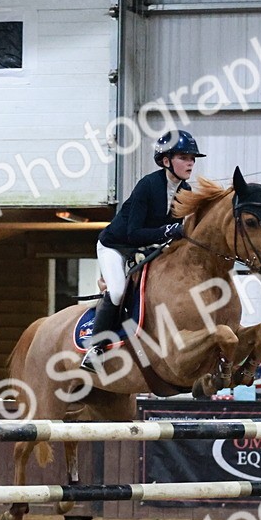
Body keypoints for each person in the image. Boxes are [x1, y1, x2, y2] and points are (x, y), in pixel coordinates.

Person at [81, 129, 205, 372]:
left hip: (146, 247)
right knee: (117, 291)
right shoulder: (147, 186)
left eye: (192, 158)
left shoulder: (186, 192)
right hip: (116, 245)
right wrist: (168, 231)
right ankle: (95, 349)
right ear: (166, 160)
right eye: (183, 157)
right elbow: (133, 233)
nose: (190, 162)